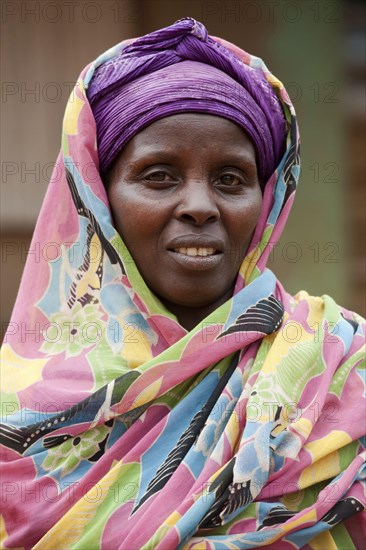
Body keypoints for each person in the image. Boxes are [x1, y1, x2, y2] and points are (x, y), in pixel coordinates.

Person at [1, 18, 364, 549]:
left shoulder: (342, 370)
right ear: (99, 201)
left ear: (267, 202)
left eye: (231, 179)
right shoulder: (16, 413)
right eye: (159, 176)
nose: (199, 205)